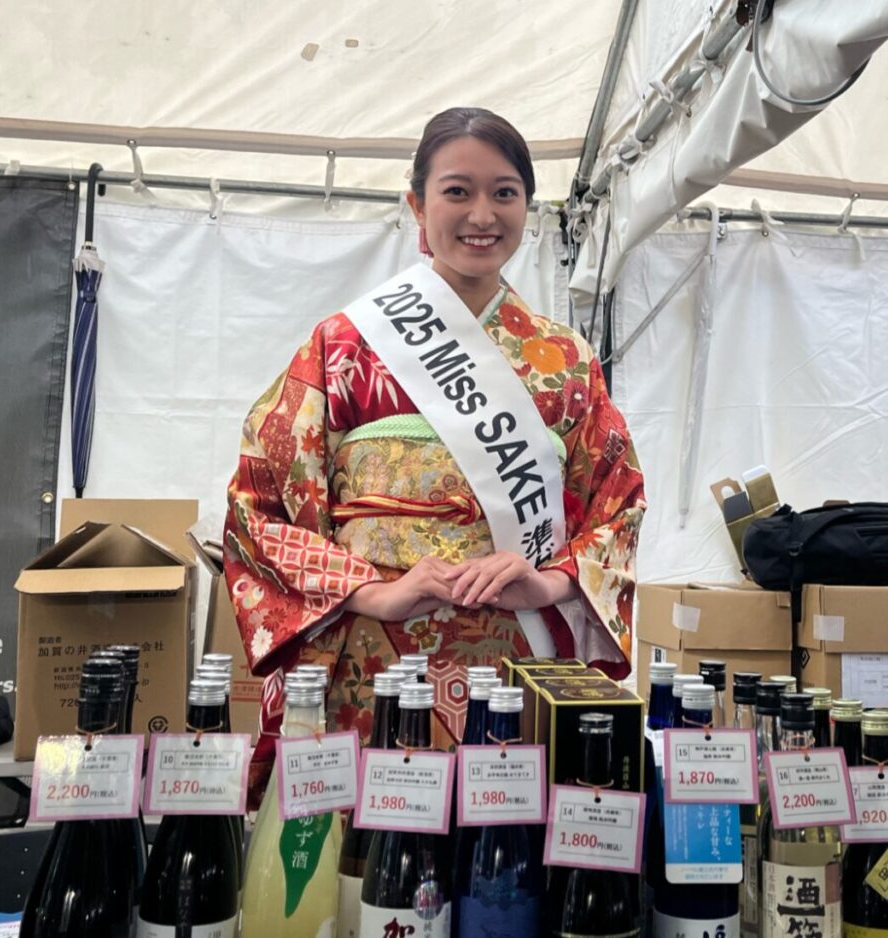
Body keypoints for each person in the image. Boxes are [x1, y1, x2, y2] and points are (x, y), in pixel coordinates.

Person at [223, 106, 645, 801]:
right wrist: (374, 594)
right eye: (457, 191)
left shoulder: (565, 362)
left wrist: (546, 583)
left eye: (504, 192)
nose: (482, 214)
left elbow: (618, 505)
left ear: (528, 206)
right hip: (372, 656)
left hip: (518, 664)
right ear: (417, 204)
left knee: (502, 840)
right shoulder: (342, 346)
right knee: (372, 845)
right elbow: (257, 504)